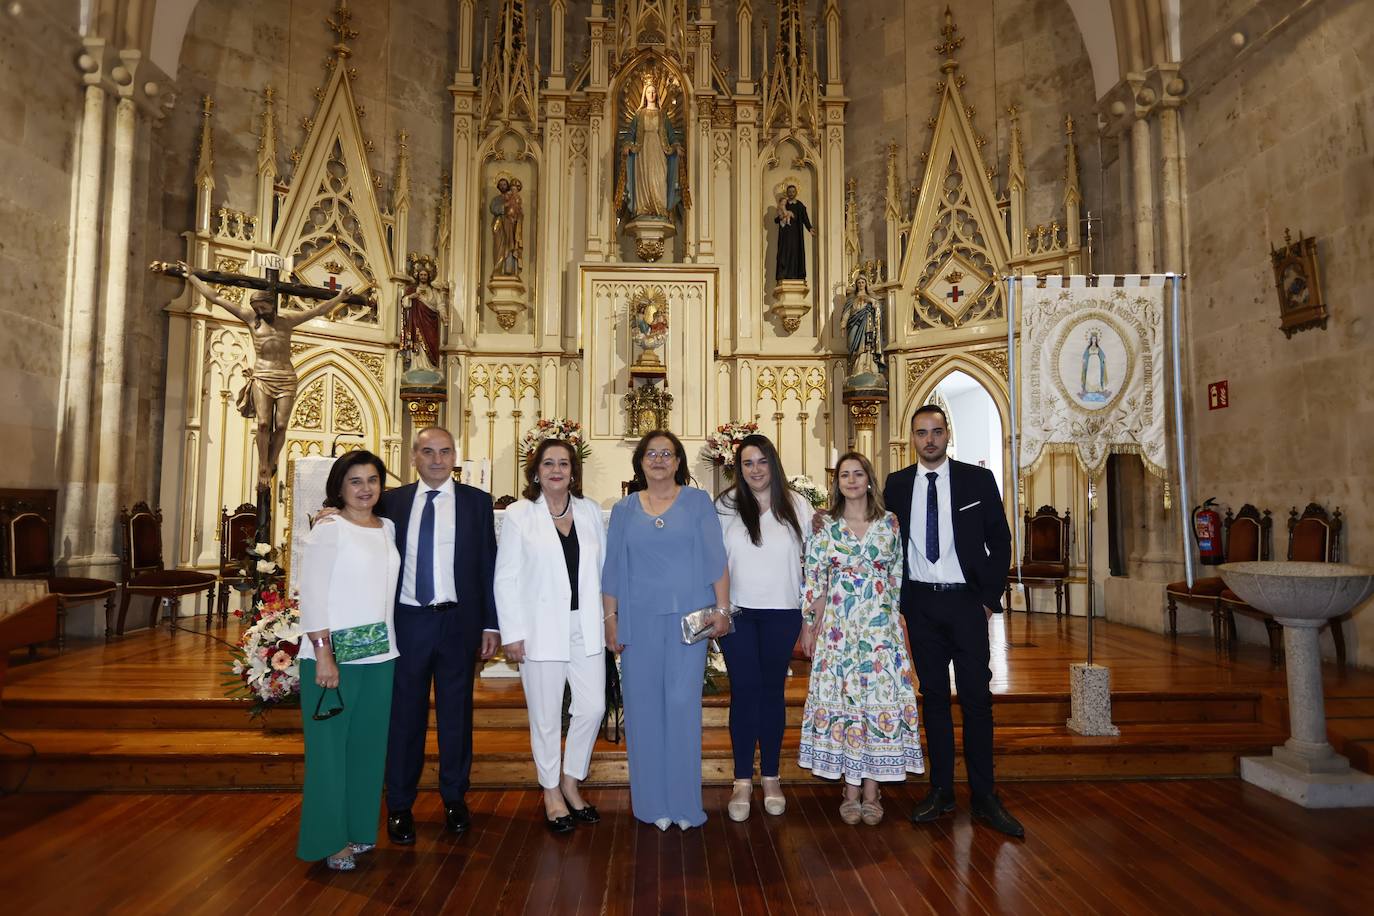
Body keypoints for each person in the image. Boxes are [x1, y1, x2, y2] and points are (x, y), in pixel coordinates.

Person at [883, 405, 1022, 838]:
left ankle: (984, 796)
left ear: (948, 435)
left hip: (966, 604)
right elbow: (878, 533)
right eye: (922, 433)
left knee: (977, 699)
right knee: (936, 700)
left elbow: (1000, 541)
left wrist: (986, 599)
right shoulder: (897, 484)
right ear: (913, 438)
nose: (929, 439)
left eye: (937, 431)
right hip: (921, 605)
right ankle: (941, 790)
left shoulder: (977, 480)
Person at [602, 429, 730, 831]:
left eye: (667, 454)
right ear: (640, 461)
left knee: (681, 706)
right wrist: (611, 619)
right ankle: (651, 803)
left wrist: (722, 610)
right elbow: (612, 570)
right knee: (642, 711)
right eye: (651, 453)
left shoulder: (697, 503)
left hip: (686, 623)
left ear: (678, 462)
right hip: (637, 622)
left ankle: (684, 804)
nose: (658, 460)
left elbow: (716, 560)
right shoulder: (623, 509)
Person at [380, 427, 500, 843]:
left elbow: (488, 565)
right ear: (413, 456)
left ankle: (454, 797)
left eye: (444, 451)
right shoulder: (390, 502)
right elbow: (354, 521)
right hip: (409, 622)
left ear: (455, 456)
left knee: (456, 716)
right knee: (405, 717)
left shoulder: (476, 503)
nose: (436, 459)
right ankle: (399, 803)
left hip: (458, 623)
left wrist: (490, 623)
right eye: (427, 451)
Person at [798, 452, 923, 826]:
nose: (851, 480)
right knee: (845, 702)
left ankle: (872, 790)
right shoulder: (825, 525)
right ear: (836, 483)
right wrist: (809, 624)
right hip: (839, 629)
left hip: (879, 630)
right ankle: (849, 790)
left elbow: (898, 574)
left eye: (858, 473)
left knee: (875, 702)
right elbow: (813, 578)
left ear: (869, 479)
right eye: (843, 475)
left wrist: (896, 621)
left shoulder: (889, 523)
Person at [494, 438, 606, 835]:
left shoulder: (591, 512)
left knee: (592, 707)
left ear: (573, 471)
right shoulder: (520, 514)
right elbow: (505, 578)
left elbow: (605, 573)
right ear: (536, 471)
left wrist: (610, 620)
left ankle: (572, 779)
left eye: (563, 463)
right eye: (548, 463)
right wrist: (513, 633)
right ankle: (551, 792)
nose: (556, 470)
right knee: (545, 718)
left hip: (585, 625)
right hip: (539, 629)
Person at [296, 450, 400, 870]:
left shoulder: (387, 527)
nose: (364, 489)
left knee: (367, 749)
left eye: (372, 480)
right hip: (332, 657)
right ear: (339, 487)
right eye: (355, 481)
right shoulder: (329, 529)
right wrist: (324, 656)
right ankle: (328, 839)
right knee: (329, 754)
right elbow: (313, 595)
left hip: (380, 653)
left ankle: (358, 830)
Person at [179, 260, 352, 488]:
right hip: (262, 376)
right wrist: (192, 276)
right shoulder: (252, 320)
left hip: (286, 378)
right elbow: (217, 298)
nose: (260, 311)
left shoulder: (288, 321)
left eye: (263, 307)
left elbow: (317, 310)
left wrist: (339, 298)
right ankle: (263, 465)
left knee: (280, 425)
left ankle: (272, 462)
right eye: (257, 308)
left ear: (272, 304)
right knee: (262, 423)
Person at [714, 434, 811, 822]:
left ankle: (770, 776)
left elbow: (813, 563)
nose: (755, 470)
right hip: (737, 613)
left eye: (761, 462)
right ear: (739, 468)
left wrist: (811, 617)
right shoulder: (725, 505)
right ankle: (741, 780)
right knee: (744, 691)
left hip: (783, 612)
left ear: (773, 462)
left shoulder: (799, 506)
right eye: (747, 463)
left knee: (771, 693)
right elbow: (713, 560)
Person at [773, 184, 814, 282]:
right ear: (787, 193)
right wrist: (782, 217)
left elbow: (805, 218)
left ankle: (795, 275)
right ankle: (784, 274)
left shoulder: (800, 205)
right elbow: (776, 220)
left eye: (793, 191)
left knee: (795, 254)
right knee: (785, 254)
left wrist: (810, 228)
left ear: (796, 193)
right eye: (789, 191)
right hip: (785, 236)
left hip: (796, 236)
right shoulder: (783, 205)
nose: (791, 193)